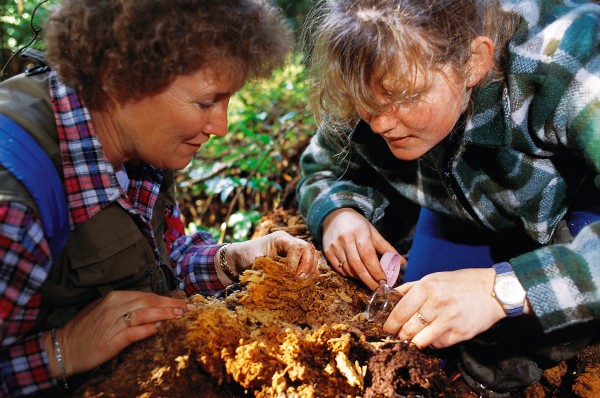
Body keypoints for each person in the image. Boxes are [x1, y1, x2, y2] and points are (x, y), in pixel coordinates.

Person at [0, 0, 321, 396]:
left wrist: (233, 258)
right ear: (120, 79)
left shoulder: (137, 143)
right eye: (206, 102)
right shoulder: (13, 200)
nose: (220, 126)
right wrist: (61, 349)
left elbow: (158, 260)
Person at [298, 0, 599, 394]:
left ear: (474, 61)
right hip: (464, 209)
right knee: (420, 335)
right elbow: (320, 169)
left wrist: (503, 290)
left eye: (404, 96)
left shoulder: (571, 61)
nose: (381, 123)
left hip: (577, 204)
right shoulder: (370, 69)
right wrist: (338, 214)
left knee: (509, 351)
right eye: (368, 103)